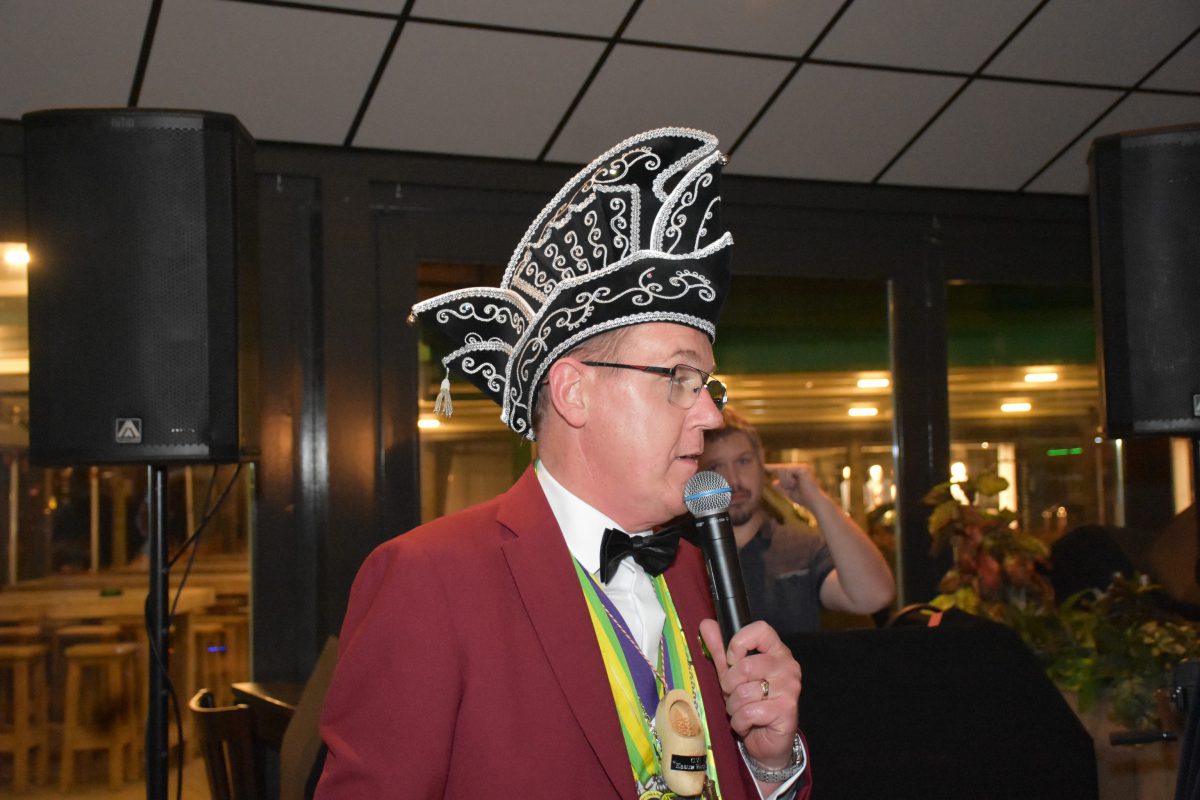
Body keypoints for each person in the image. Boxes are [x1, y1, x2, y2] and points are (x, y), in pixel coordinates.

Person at [317, 129, 811, 799]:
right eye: (679, 378)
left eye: (708, 387)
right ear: (575, 392)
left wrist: (770, 761)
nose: (710, 415)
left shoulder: (695, 570)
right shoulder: (430, 579)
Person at [699, 409, 895, 637]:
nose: (733, 480)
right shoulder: (683, 554)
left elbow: (874, 596)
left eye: (743, 461)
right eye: (716, 467)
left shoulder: (802, 549)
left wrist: (818, 501)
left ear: (761, 462)